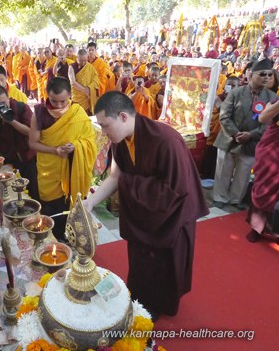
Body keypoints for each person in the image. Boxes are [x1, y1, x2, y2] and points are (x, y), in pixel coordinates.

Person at [84, 91, 208, 320]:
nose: (103, 132)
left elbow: (177, 191)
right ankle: (141, 300)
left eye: (105, 125)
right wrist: (90, 202)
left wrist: (130, 186)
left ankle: (158, 306)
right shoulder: (121, 140)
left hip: (172, 216)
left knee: (164, 268)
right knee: (140, 264)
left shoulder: (166, 140)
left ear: (122, 116)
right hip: (146, 215)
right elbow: (115, 177)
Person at [28, 77, 97, 240]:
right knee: (50, 208)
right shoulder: (39, 112)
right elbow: (32, 143)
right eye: (54, 101)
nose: (59, 106)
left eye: (63, 101)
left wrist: (76, 146)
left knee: (70, 207)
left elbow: (90, 140)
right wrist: (55, 150)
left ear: (70, 95)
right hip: (49, 170)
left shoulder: (78, 112)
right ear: (47, 95)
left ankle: (69, 237)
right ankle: (51, 239)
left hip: (72, 169)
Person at [212, 58, 278, 209]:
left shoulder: (273, 98)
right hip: (229, 138)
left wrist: (251, 135)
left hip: (252, 141)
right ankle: (220, 197)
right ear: (251, 75)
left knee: (244, 171)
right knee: (223, 168)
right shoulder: (236, 92)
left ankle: (236, 199)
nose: (266, 78)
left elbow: (269, 124)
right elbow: (224, 115)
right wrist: (236, 133)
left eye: (269, 75)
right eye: (262, 74)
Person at [0, 85, 39, 200]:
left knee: (34, 192)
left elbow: (31, 132)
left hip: (28, 159)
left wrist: (11, 121)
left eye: (4, 102)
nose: (2, 106)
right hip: (9, 162)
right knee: (12, 194)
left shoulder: (21, 108)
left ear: (9, 97)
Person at [246, 95, 279, 243]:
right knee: (264, 185)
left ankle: (276, 230)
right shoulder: (276, 99)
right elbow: (262, 118)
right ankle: (256, 227)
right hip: (273, 144)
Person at [68, 49, 100, 115]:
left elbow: (96, 79)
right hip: (77, 98)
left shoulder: (89, 67)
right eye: (81, 61)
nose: (83, 63)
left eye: (85, 60)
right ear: (77, 58)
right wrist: (85, 90)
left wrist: (89, 88)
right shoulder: (71, 67)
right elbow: (73, 82)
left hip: (87, 99)